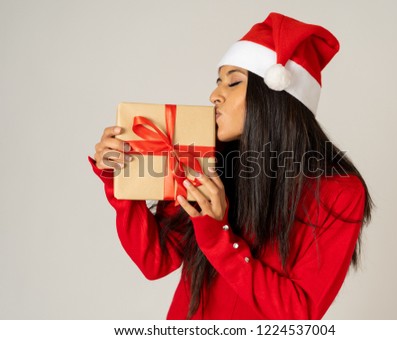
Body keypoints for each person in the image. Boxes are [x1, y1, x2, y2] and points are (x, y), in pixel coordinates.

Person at [89, 12, 373, 319]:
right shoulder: (206, 159)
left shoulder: (338, 193)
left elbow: (298, 314)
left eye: (233, 82)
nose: (215, 95)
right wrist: (122, 179)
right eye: (218, 82)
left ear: (274, 97)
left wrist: (217, 236)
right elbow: (155, 261)